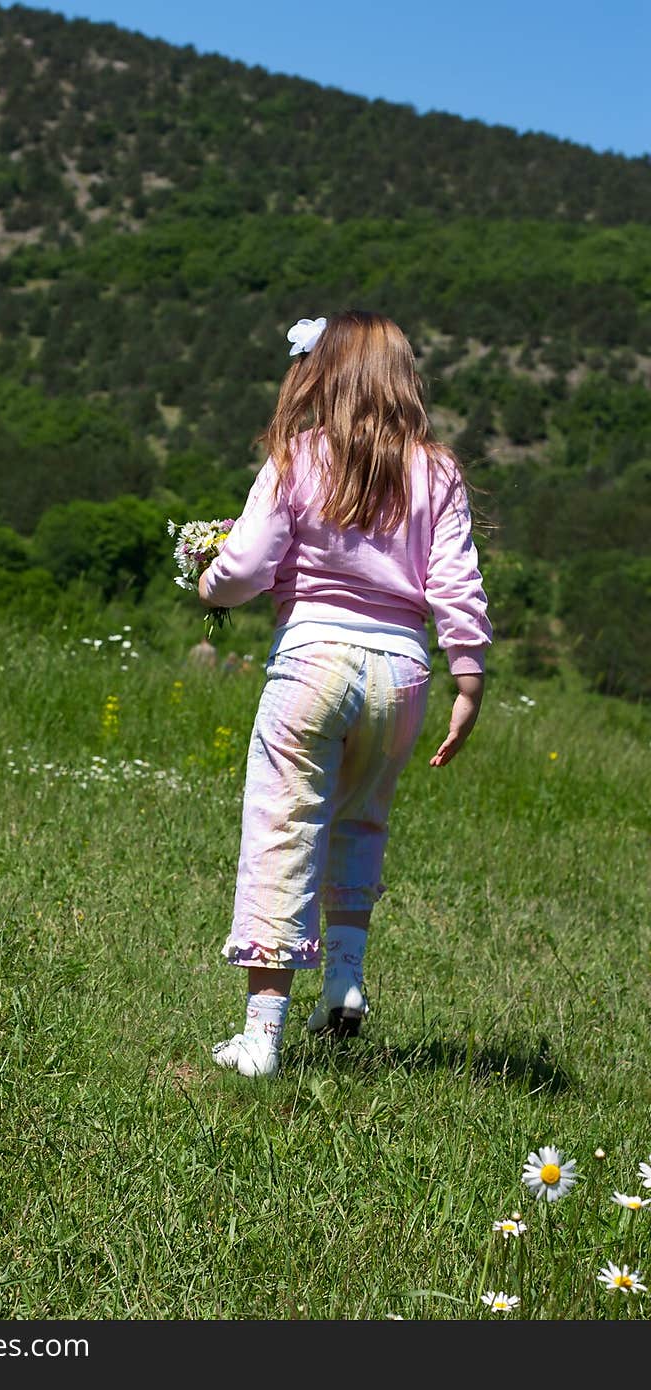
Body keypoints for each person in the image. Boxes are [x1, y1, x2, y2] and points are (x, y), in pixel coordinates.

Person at [198, 310, 492, 1078]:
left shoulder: (298, 456)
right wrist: (469, 674)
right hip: (403, 674)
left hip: (312, 663)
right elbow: (455, 579)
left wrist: (211, 581)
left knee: (283, 828)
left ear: (323, 373)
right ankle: (346, 982)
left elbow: (250, 562)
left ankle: (262, 1035)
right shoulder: (438, 471)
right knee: (360, 824)